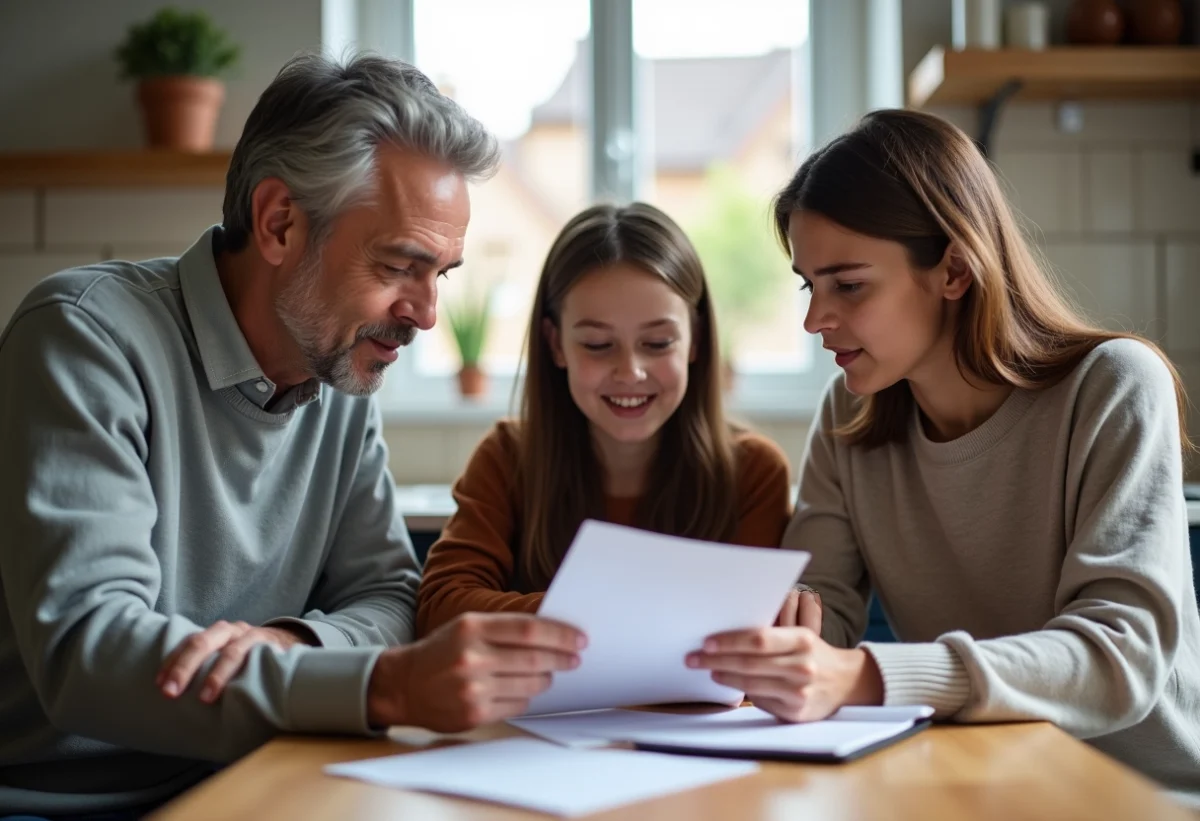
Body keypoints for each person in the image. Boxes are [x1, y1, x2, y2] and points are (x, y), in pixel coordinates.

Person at [0, 53, 585, 820]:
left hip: (265, 774)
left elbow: (386, 592)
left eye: (441, 273)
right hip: (63, 804)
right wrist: (385, 684)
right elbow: (90, 653)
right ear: (279, 222)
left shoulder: (338, 368)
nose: (427, 312)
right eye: (401, 264)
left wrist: (295, 647)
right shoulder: (84, 339)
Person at [686, 109, 1200, 799]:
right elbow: (826, 614)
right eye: (810, 285)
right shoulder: (850, 413)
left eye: (849, 283)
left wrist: (867, 675)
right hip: (975, 780)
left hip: (1141, 791)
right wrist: (785, 624)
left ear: (954, 269)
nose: (814, 319)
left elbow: (1120, 657)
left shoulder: (1113, 385)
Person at [416, 202, 807, 634]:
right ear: (556, 344)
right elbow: (441, 608)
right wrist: (620, 613)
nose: (630, 372)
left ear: (694, 341)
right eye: (598, 345)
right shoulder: (508, 457)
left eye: (657, 343)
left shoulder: (752, 472)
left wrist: (589, 616)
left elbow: (747, 632)